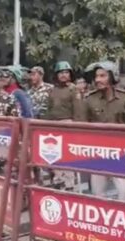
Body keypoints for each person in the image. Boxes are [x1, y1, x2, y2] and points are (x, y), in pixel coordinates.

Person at [81, 60, 125, 202]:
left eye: (102, 76)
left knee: (124, 191)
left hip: (120, 152)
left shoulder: (124, 97)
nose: (98, 80)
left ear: (112, 76)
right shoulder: (89, 99)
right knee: (97, 193)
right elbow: (83, 126)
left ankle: (123, 220)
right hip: (98, 152)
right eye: (97, 76)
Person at [45, 61, 82, 191]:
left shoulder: (73, 89)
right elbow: (49, 109)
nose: (63, 75)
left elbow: (78, 110)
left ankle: (69, 182)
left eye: (66, 72)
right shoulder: (52, 90)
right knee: (54, 153)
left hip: (68, 123)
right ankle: (58, 179)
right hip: (53, 124)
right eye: (61, 72)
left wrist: (76, 127)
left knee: (67, 155)